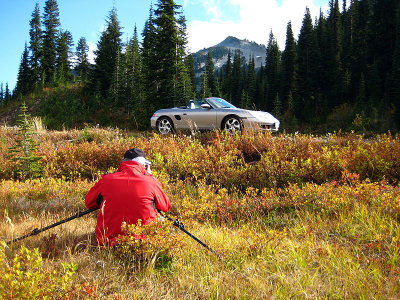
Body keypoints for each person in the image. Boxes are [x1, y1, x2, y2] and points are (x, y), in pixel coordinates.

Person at [85, 148, 171, 246]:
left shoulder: (106, 180)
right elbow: (165, 206)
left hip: (108, 243)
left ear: (124, 162)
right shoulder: (151, 181)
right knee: (162, 219)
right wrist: (149, 176)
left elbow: (89, 203)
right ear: (144, 165)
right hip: (145, 243)